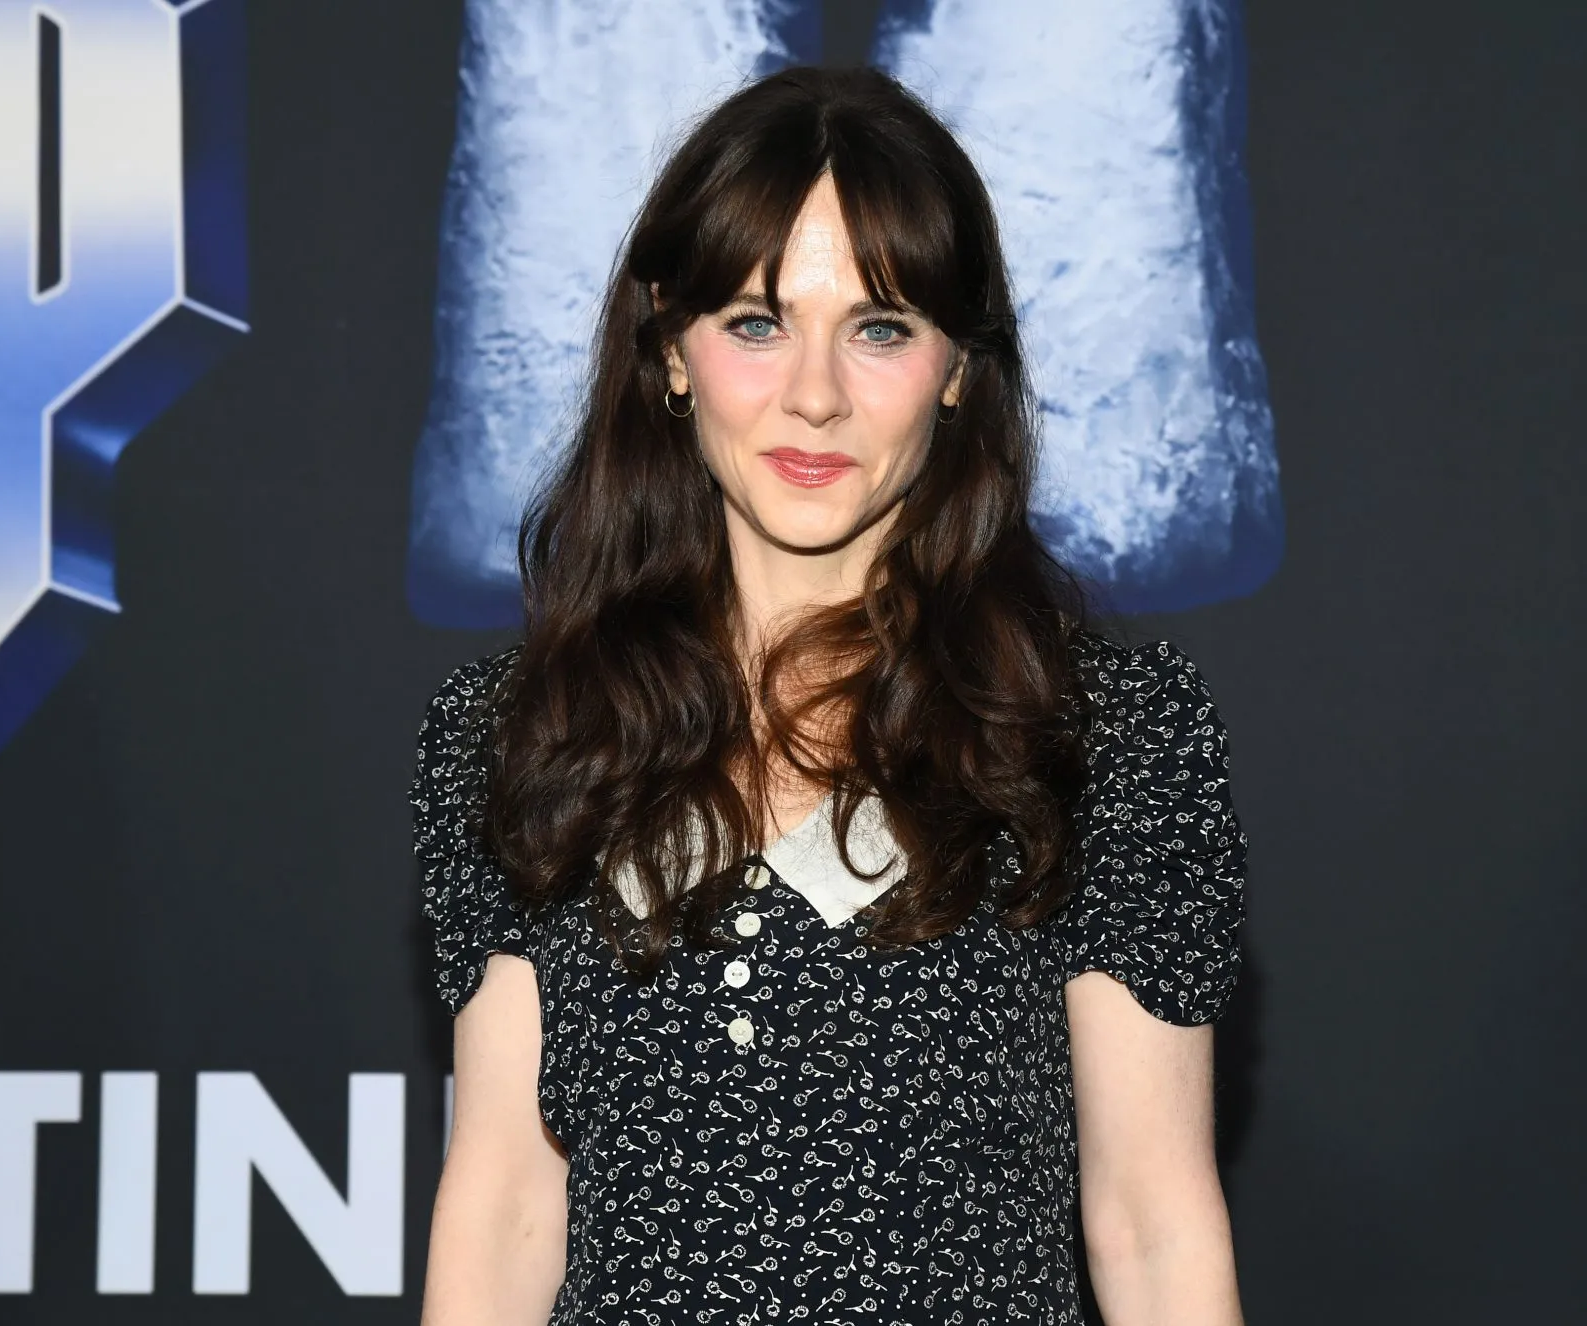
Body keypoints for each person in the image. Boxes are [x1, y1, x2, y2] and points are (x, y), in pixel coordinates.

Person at [411, 65, 1248, 1326]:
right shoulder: (527, 734)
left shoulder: (1098, 732)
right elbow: (506, 1209)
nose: (814, 395)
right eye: (756, 324)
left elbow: (1149, 1222)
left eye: (880, 328)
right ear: (670, 350)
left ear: (956, 368)